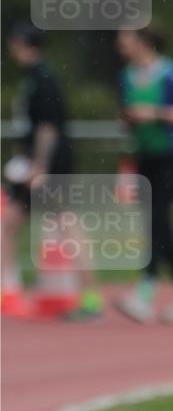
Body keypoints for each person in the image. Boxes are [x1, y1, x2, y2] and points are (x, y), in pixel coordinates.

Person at [1, 22, 103, 320]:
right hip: (34, 166)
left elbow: (48, 126)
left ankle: (91, 297)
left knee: (68, 227)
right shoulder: (31, 78)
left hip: (49, 168)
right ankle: (9, 294)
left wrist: (40, 167)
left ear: (23, 44)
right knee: (9, 224)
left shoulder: (45, 78)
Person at [115, 26, 173, 324]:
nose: (120, 45)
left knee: (158, 222)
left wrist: (153, 113)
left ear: (143, 42)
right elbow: (127, 114)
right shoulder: (125, 75)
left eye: (125, 39)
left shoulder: (169, 73)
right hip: (144, 158)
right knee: (161, 226)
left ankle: (146, 292)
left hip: (170, 159)